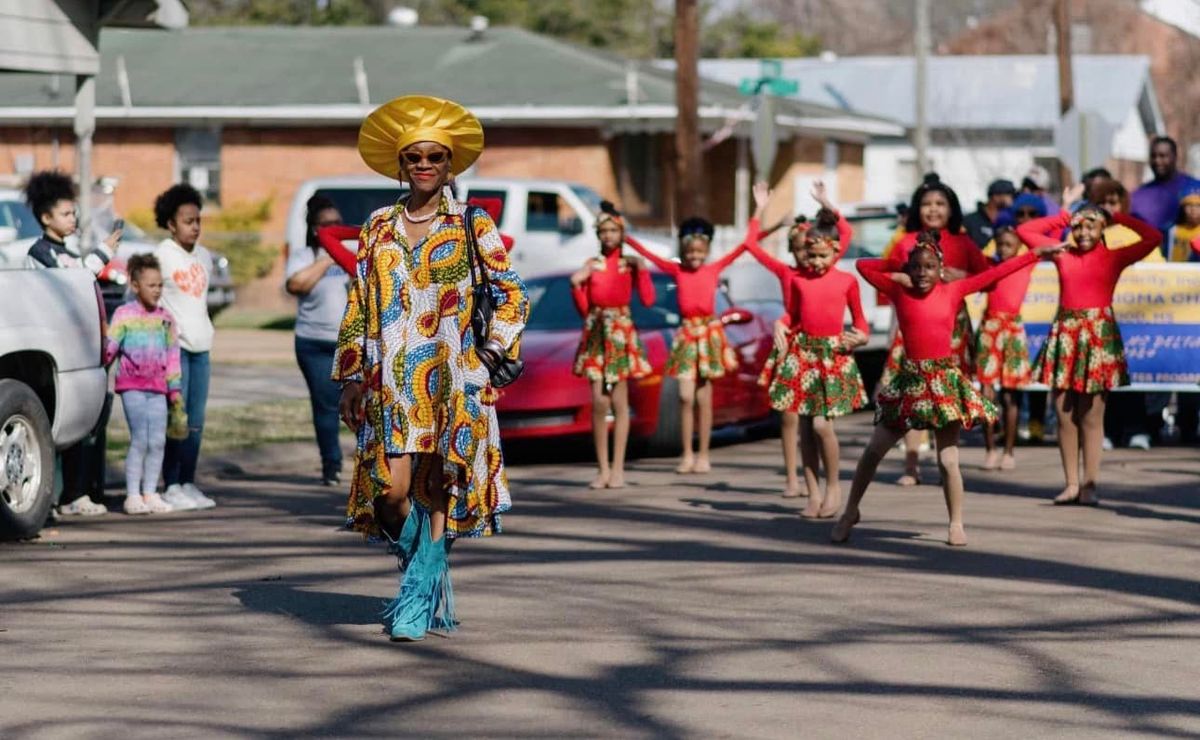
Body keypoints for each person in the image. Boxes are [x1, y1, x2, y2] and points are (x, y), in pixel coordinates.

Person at [336, 95, 529, 642]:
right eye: (414, 157)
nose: (424, 166)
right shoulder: (376, 228)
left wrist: (490, 353)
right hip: (391, 381)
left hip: (454, 377)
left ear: (451, 165)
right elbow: (357, 305)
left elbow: (511, 295)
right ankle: (422, 564)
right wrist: (351, 376)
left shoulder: (473, 222)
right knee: (390, 493)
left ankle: (419, 597)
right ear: (400, 165)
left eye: (435, 157)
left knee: (440, 485)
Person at [832, 231, 1060, 546]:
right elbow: (863, 266)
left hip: (943, 382)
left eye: (929, 267)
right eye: (916, 268)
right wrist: (900, 263)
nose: (922, 274)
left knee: (948, 459)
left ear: (941, 269)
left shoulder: (953, 291)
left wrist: (1037, 254)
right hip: (910, 381)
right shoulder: (900, 292)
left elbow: (996, 273)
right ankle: (850, 511)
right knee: (873, 451)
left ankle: (956, 521)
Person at [1017, 197, 1161, 506]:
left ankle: (1090, 484)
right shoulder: (1062, 254)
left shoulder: (1113, 257)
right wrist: (1064, 216)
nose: (1083, 232)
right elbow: (1026, 230)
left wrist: (1116, 215)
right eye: (1078, 226)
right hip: (1066, 334)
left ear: (1102, 228)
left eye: (1091, 225)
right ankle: (1070, 484)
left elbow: (1154, 237)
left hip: (1098, 335)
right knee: (1064, 412)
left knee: (1092, 416)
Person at [746, 182, 868, 515]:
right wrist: (779, 323)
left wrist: (827, 202)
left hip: (830, 355)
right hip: (801, 353)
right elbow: (792, 314)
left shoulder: (845, 279)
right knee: (802, 427)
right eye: (805, 252)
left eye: (817, 253)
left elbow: (861, 323)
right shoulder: (794, 278)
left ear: (833, 251)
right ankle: (811, 491)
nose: (811, 259)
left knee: (820, 426)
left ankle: (834, 487)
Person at [880, 174, 989, 487]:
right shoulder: (904, 242)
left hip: (954, 329)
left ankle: (947, 466)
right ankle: (911, 464)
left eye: (940, 204)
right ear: (917, 209)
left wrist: (960, 275)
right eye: (926, 204)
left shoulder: (964, 242)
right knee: (915, 397)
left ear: (952, 209)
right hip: (914, 329)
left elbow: (988, 277)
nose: (933, 209)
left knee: (946, 400)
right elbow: (885, 274)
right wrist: (904, 277)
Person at [24, 170, 121, 517]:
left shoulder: (66, 250)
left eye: (73, 213)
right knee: (58, 425)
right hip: (55, 352)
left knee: (85, 424)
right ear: (46, 217)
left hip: (80, 348)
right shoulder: (41, 253)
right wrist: (104, 252)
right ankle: (62, 495)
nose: (72, 219)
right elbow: (76, 277)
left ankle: (79, 492)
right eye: (65, 214)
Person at [623, 214, 752, 474]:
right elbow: (649, 255)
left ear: (706, 251)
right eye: (690, 252)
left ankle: (703, 454)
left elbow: (744, 245)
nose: (694, 256)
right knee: (684, 396)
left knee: (703, 399)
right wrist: (624, 234)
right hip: (686, 335)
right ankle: (687, 453)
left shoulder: (713, 269)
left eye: (699, 252)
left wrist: (759, 212)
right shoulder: (677, 270)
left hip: (708, 333)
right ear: (684, 250)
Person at [570, 201, 655, 490]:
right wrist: (576, 287)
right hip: (596, 332)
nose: (607, 236)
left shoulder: (627, 265)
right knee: (598, 403)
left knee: (620, 402)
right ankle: (602, 469)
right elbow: (584, 310)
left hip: (620, 331)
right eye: (603, 231)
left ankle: (619, 468)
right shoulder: (591, 266)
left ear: (621, 234)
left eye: (612, 231)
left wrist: (642, 269)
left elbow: (647, 300)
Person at [153, 184, 218, 512]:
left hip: (202, 346)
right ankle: (171, 483)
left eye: (198, 220)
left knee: (196, 421)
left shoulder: (203, 256)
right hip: (175, 350)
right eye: (187, 220)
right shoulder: (162, 254)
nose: (194, 226)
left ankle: (188, 482)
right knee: (176, 419)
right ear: (170, 223)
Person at [104, 254, 181, 515]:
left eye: (160, 285)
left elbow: (172, 355)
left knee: (158, 440)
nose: (157, 290)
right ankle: (133, 495)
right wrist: (102, 355)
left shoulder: (166, 319)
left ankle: (150, 492)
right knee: (140, 439)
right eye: (151, 285)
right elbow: (111, 347)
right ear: (135, 286)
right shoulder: (124, 315)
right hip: (132, 387)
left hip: (158, 389)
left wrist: (175, 389)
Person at [286, 195, 349, 486]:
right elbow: (296, 285)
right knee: (326, 406)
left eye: (338, 223)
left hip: (350, 343)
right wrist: (327, 258)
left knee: (360, 406)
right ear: (315, 229)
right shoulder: (303, 257)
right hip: (314, 343)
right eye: (327, 225)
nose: (334, 228)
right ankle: (331, 464)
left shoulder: (353, 251)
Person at [976, 221, 1036, 471]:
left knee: (1011, 396)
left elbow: (1039, 241)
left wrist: (1063, 210)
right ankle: (990, 449)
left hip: (1012, 330)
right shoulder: (988, 264)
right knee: (987, 393)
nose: (1004, 248)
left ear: (1019, 245)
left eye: (1010, 244)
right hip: (990, 329)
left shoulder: (1025, 263)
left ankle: (1009, 451)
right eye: (1000, 244)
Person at [1131, 136, 1199, 234]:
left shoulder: (1194, 187)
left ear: (1175, 157)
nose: (1157, 161)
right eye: (1153, 156)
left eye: (1163, 156)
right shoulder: (1137, 196)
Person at [963, 178, 1016, 248]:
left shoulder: (1010, 222)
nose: (1012, 199)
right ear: (996, 196)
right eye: (1010, 195)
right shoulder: (970, 221)